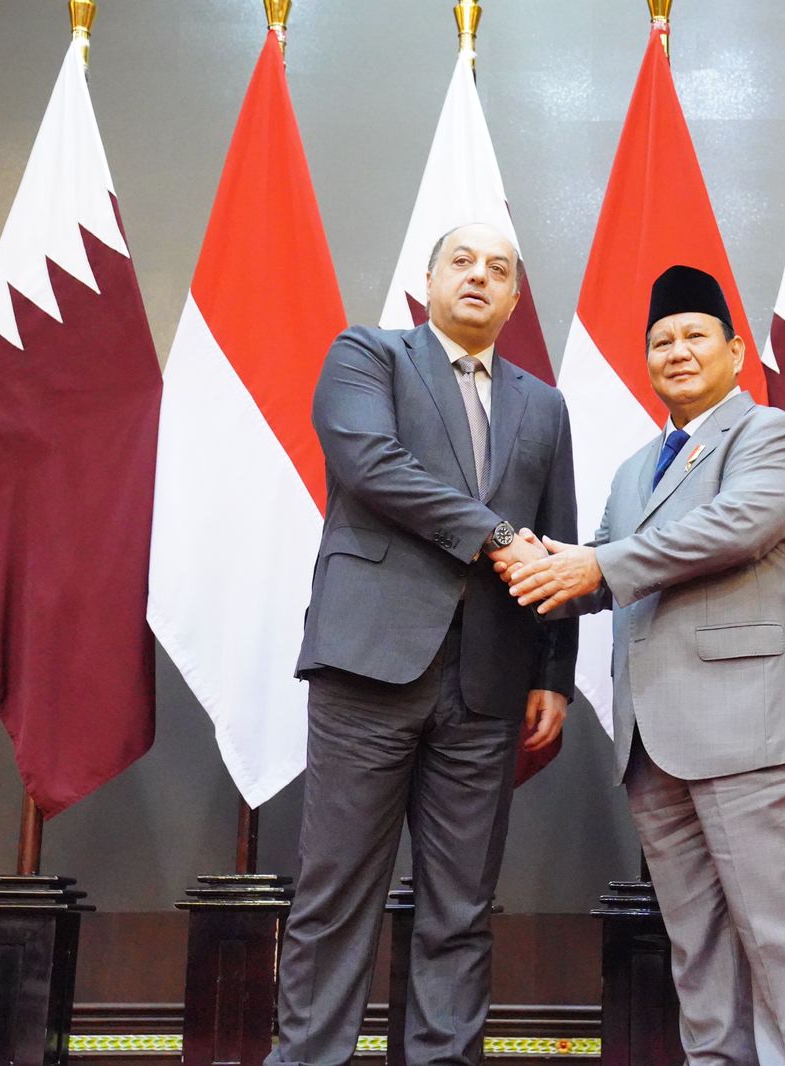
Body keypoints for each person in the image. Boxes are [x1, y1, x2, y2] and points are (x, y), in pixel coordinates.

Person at [503, 265, 785, 1066]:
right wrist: (531, 563)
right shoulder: (637, 468)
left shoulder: (771, 435)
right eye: (661, 342)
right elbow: (599, 573)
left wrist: (595, 564)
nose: (678, 351)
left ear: (735, 352)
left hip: (755, 733)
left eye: (696, 335)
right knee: (699, 951)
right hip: (655, 745)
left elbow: (734, 527)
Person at [271, 223, 577, 1066]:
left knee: (461, 907)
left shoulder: (545, 406)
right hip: (370, 664)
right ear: (430, 279)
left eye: (499, 269)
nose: (479, 275)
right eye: (462, 262)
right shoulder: (368, 355)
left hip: (490, 680)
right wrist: (493, 534)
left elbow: (556, 537)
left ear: (514, 300)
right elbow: (370, 464)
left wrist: (554, 671)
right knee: (336, 895)